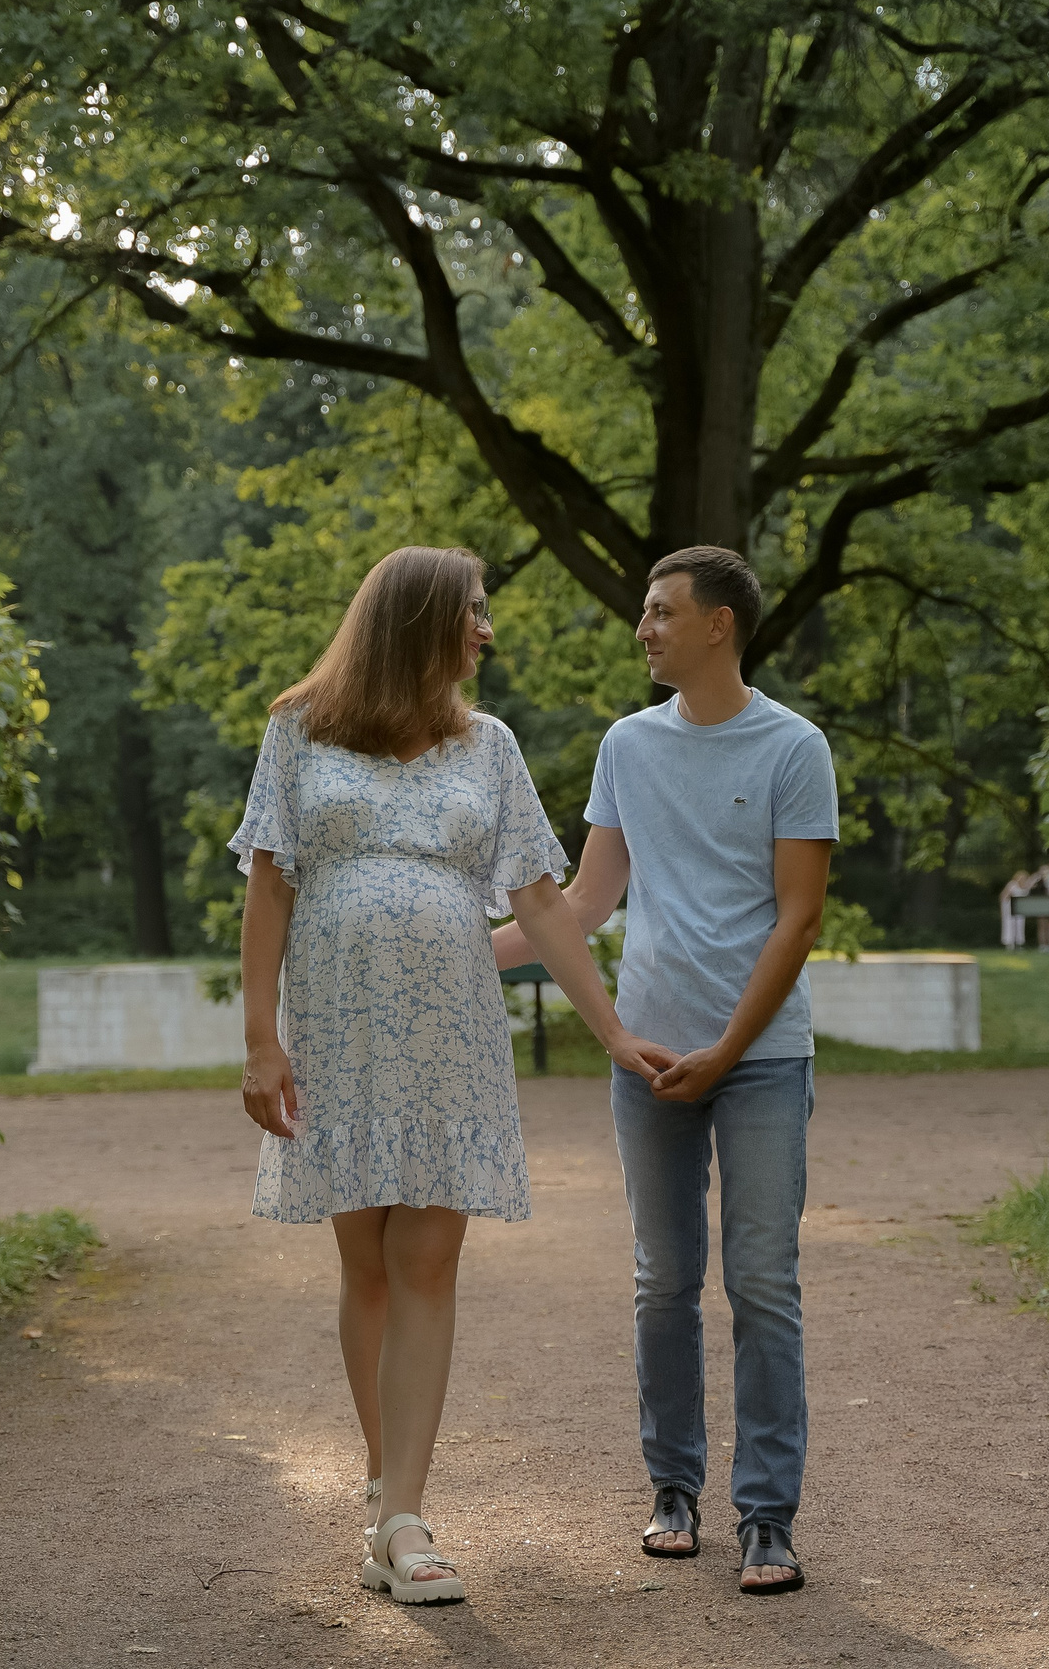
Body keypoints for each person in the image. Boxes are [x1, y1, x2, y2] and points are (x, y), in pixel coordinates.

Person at [233, 544, 675, 1607]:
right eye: (474, 613)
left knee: (426, 1259)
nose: (487, 632)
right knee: (369, 1264)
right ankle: (384, 1481)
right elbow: (270, 884)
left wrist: (612, 1034)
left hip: (450, 1039)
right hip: (336, 1026)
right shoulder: (298, 726)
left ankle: (405, 1522)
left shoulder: (492, 746)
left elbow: (542, 905)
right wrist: (259, 1040)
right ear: (419, 617)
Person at [491, 544, 836, 1596]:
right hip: (644, 1051)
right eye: (642, 612)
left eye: (658, 611)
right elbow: (582, 909)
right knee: (661, 1282)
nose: (641, 627)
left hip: (760, 1057)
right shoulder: (626, 747)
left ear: (718, 623)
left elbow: (799, 914)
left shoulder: (793, 746)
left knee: (763, 1284)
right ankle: (672, 1491)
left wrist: (729, 1046)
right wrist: (447, 949)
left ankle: (767, 1516)